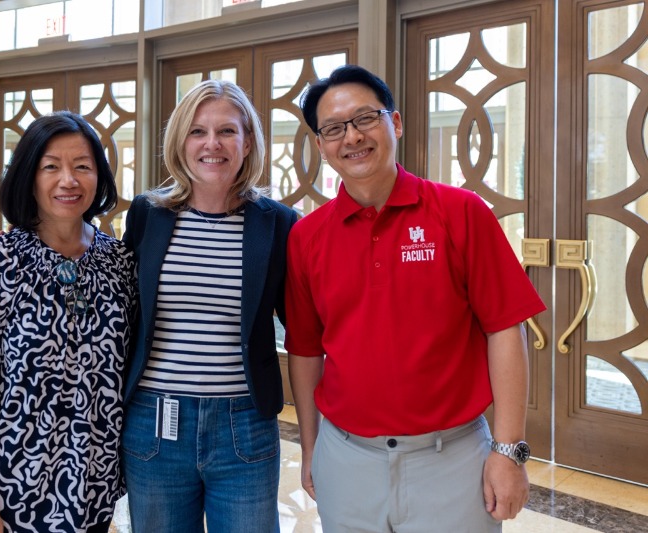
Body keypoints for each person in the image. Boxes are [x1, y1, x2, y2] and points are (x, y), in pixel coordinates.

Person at [285, 64, 547, 532]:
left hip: (454, 461)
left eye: (365, 118)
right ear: (321, 146)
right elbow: (306, 351)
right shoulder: (307, 237)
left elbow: (505, 328)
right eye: (334, 128)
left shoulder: (460, 212)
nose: (352, 137)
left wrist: (509, 452)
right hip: (346, 461)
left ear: (396, 123)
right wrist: (311, 447)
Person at [0, 111, 136, 532]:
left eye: (82, 166)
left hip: (93, 492)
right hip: (13, 491)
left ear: (99, 176)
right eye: (51, 167)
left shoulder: (120, 263)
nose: (68, 180)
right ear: (29, 176)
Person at [120, 79, 297, 533]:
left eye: (227, 131)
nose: (212, 144)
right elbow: (123, 312)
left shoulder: (278, 223)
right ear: (181, 141)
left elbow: (302, 330)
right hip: (154, 420)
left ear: (248, 141)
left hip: (244, 424)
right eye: (198, 131)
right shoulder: (147, 214)